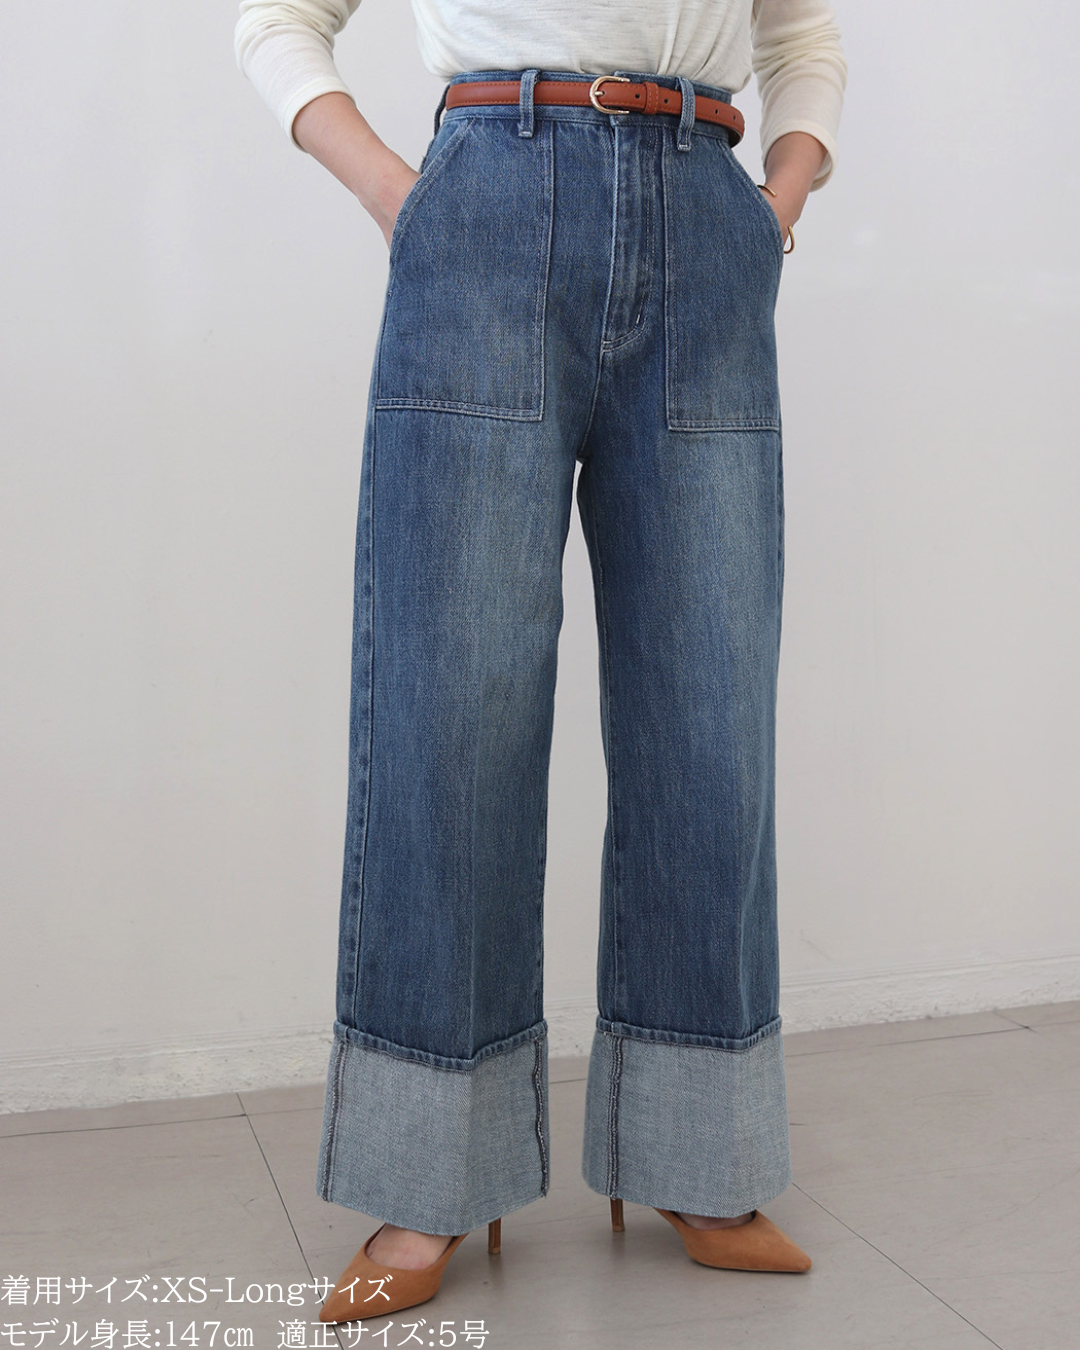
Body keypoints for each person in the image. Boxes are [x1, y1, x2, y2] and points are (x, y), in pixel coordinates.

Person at [234, 0, 847, 1321]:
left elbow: (801, 34)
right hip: (488, 210)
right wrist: (400, 196)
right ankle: (431, 1176)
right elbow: (278, 21)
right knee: (453, 712)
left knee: (710, 712)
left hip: (707, 214)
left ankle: (699, 1157)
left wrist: (780, 196)